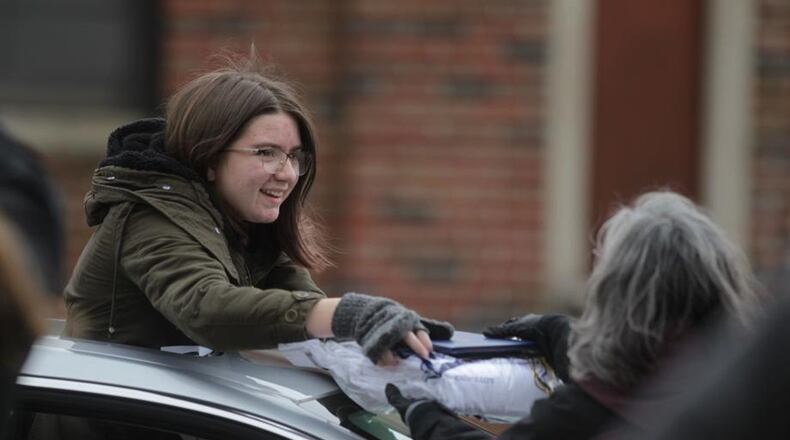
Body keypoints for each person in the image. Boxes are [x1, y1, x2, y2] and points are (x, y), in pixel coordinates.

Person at [62, 54, 452, 366]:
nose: (286, 174)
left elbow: (302, 313)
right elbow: (207, 310)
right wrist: (349, 314)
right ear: (209, 159)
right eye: (265, 153)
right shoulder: (150, 216)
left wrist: (392, 346)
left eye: (294, 157)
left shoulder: (249, 225)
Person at [386, 190, 760, 439]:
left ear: (616, 296)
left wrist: (427, 419)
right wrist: (561, 334)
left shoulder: (580, 416)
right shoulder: (745, 388)